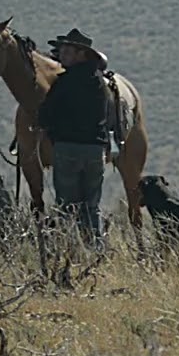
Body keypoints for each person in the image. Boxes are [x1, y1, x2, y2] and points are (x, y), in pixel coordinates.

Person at [37, 28, 109, 250]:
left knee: (67, 206)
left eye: (68, 50)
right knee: (91, 206)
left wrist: (50, 132)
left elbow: (46, 114)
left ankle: (69, 252)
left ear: (81, 54)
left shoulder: (64, 83)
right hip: (96, 150)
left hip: (68, 148)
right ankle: (95, 249)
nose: (63, 54)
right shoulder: (99, 82)